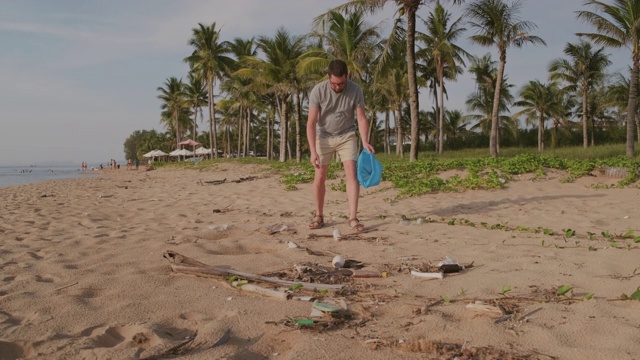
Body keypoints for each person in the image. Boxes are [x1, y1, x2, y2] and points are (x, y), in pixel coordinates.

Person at [306, 59, 374, 232]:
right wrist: (313, 151)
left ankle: (353, 218)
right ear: (329, 78)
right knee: (320, 176)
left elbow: (361, 118)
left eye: (342, 83)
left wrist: (365, 141)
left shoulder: (355, 89)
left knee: (352, 174)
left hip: (347, 135)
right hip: (324, 137)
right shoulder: (318, 91)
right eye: (334, 84)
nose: (338, 87)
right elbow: (311, 122)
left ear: (347, 77)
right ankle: (319, 215)